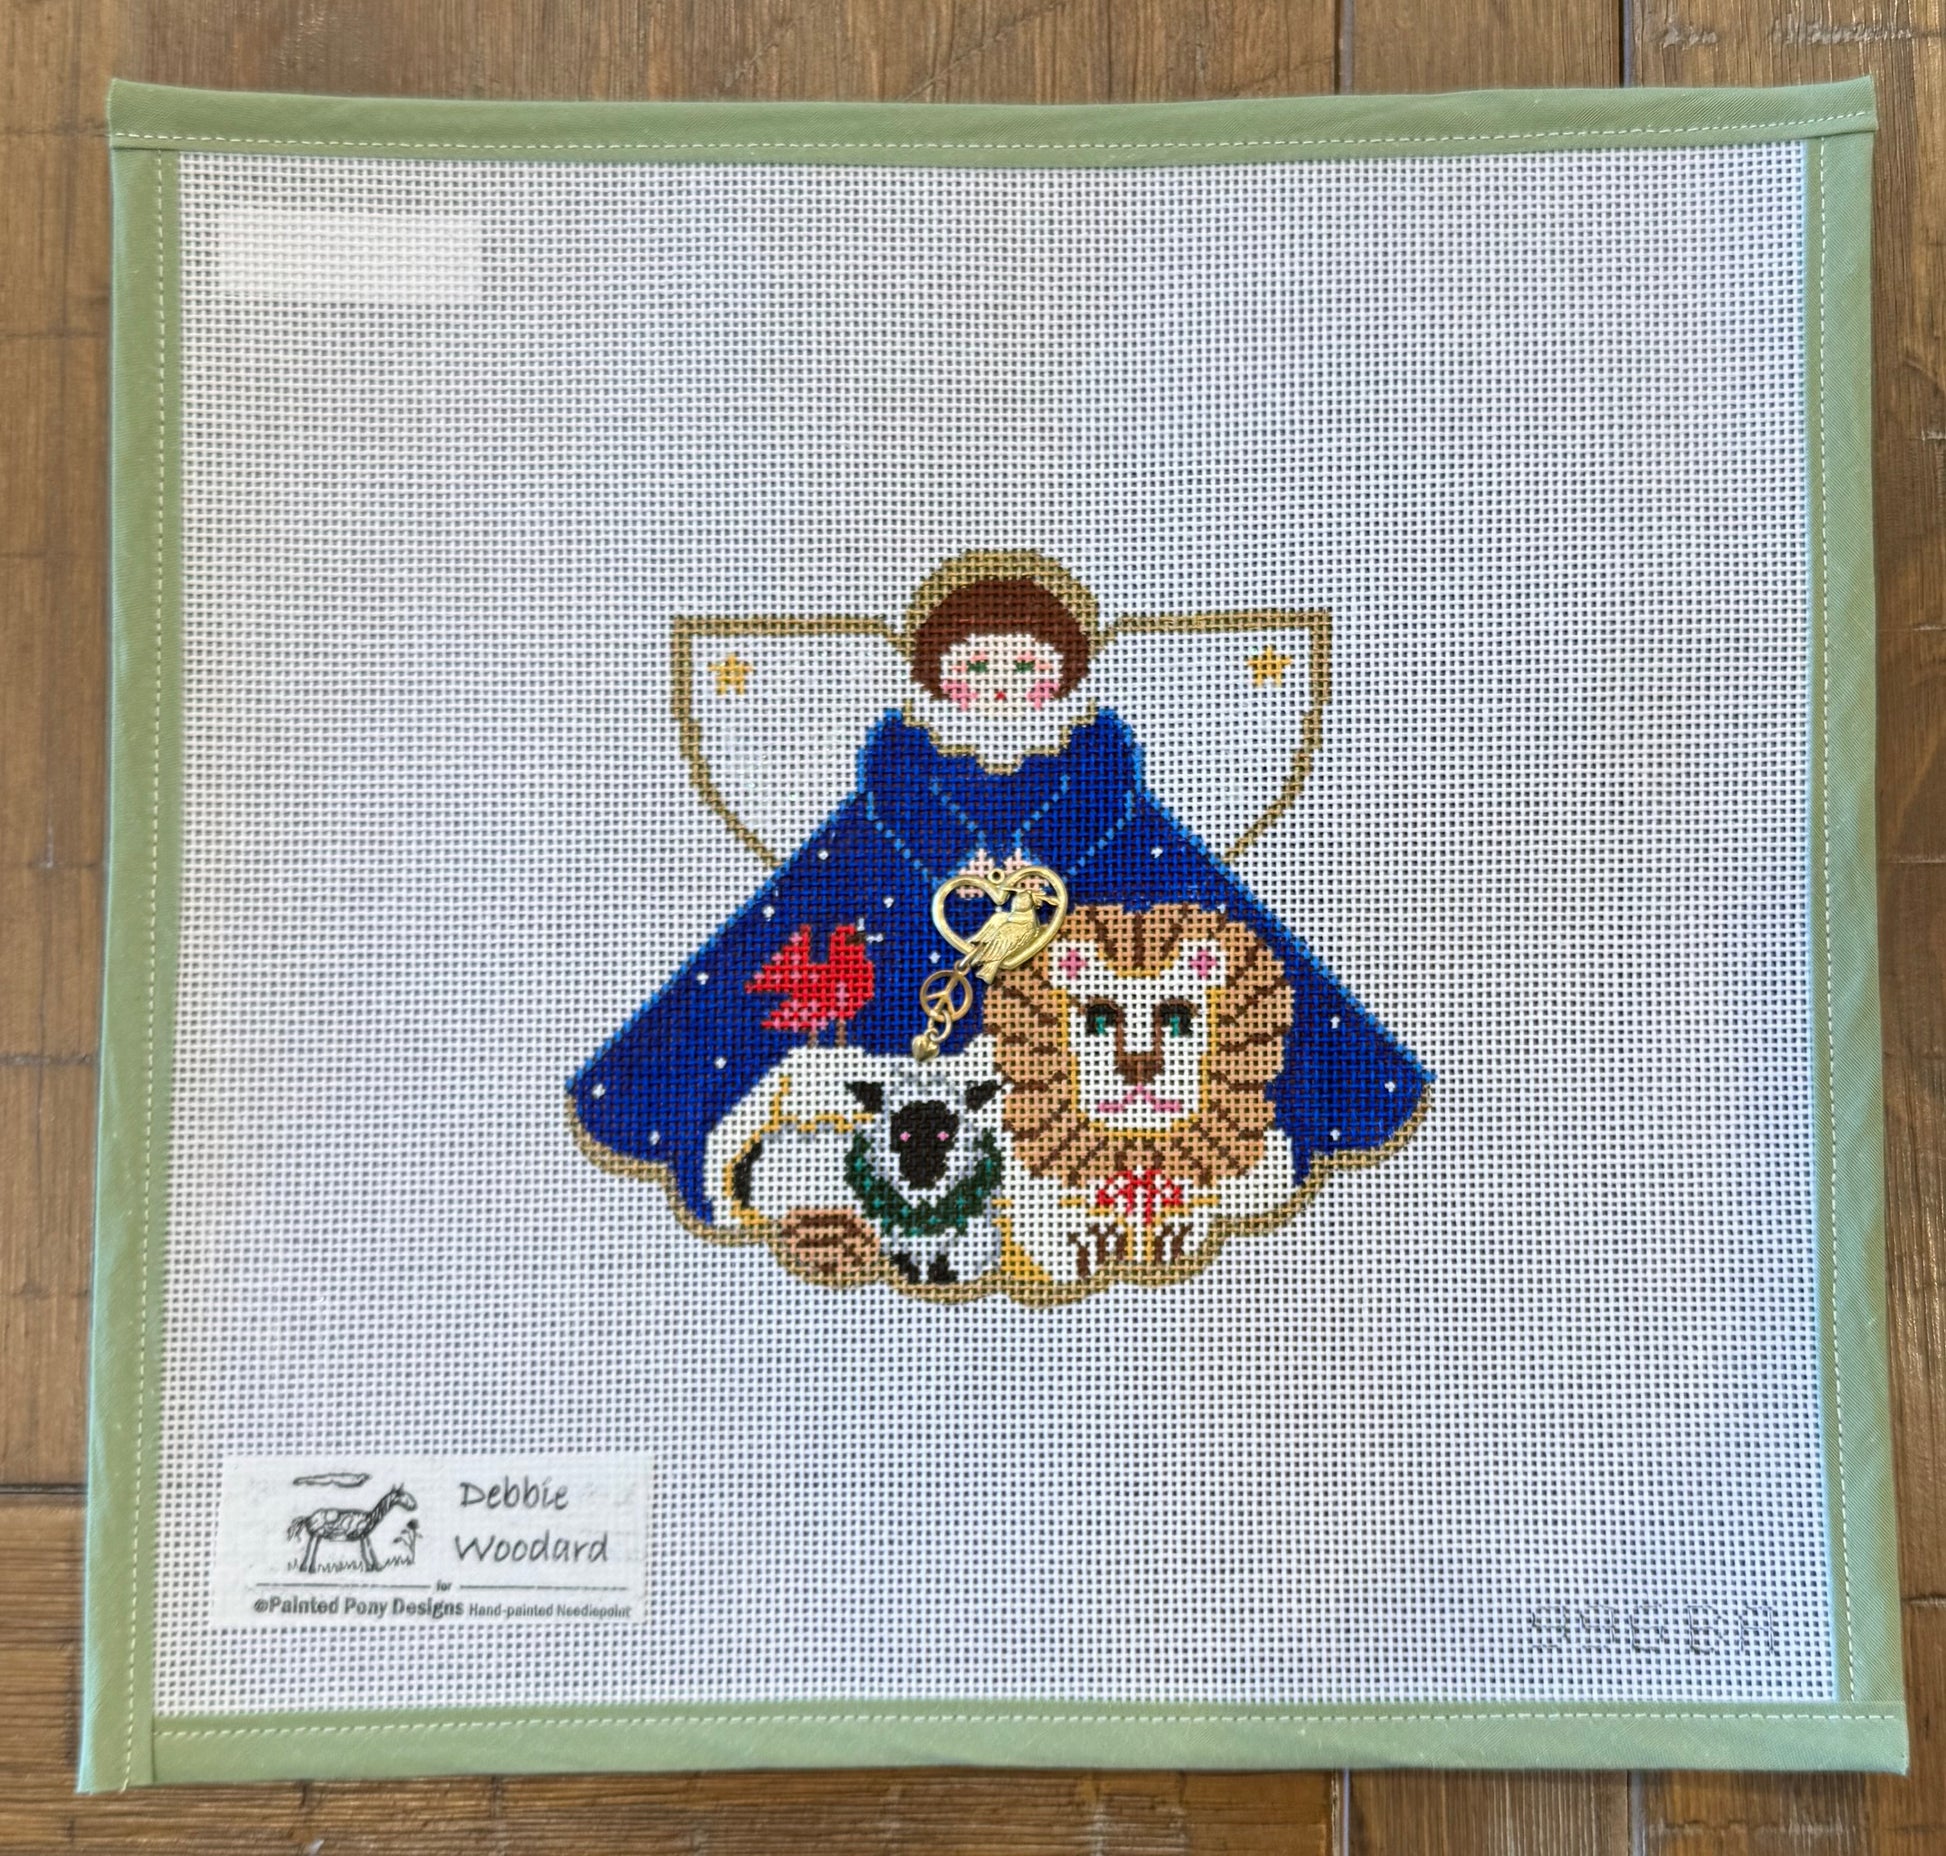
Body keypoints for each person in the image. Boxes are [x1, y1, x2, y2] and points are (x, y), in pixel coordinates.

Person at [569, 552, 1426, 1228]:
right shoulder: (897, 789)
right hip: (905, 976)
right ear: (937, 677)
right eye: (976, 665)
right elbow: (827, 883)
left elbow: (1174, 883)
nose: (1002, 685)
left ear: (1066, 675)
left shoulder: (1103, 790)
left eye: (1027, 665)